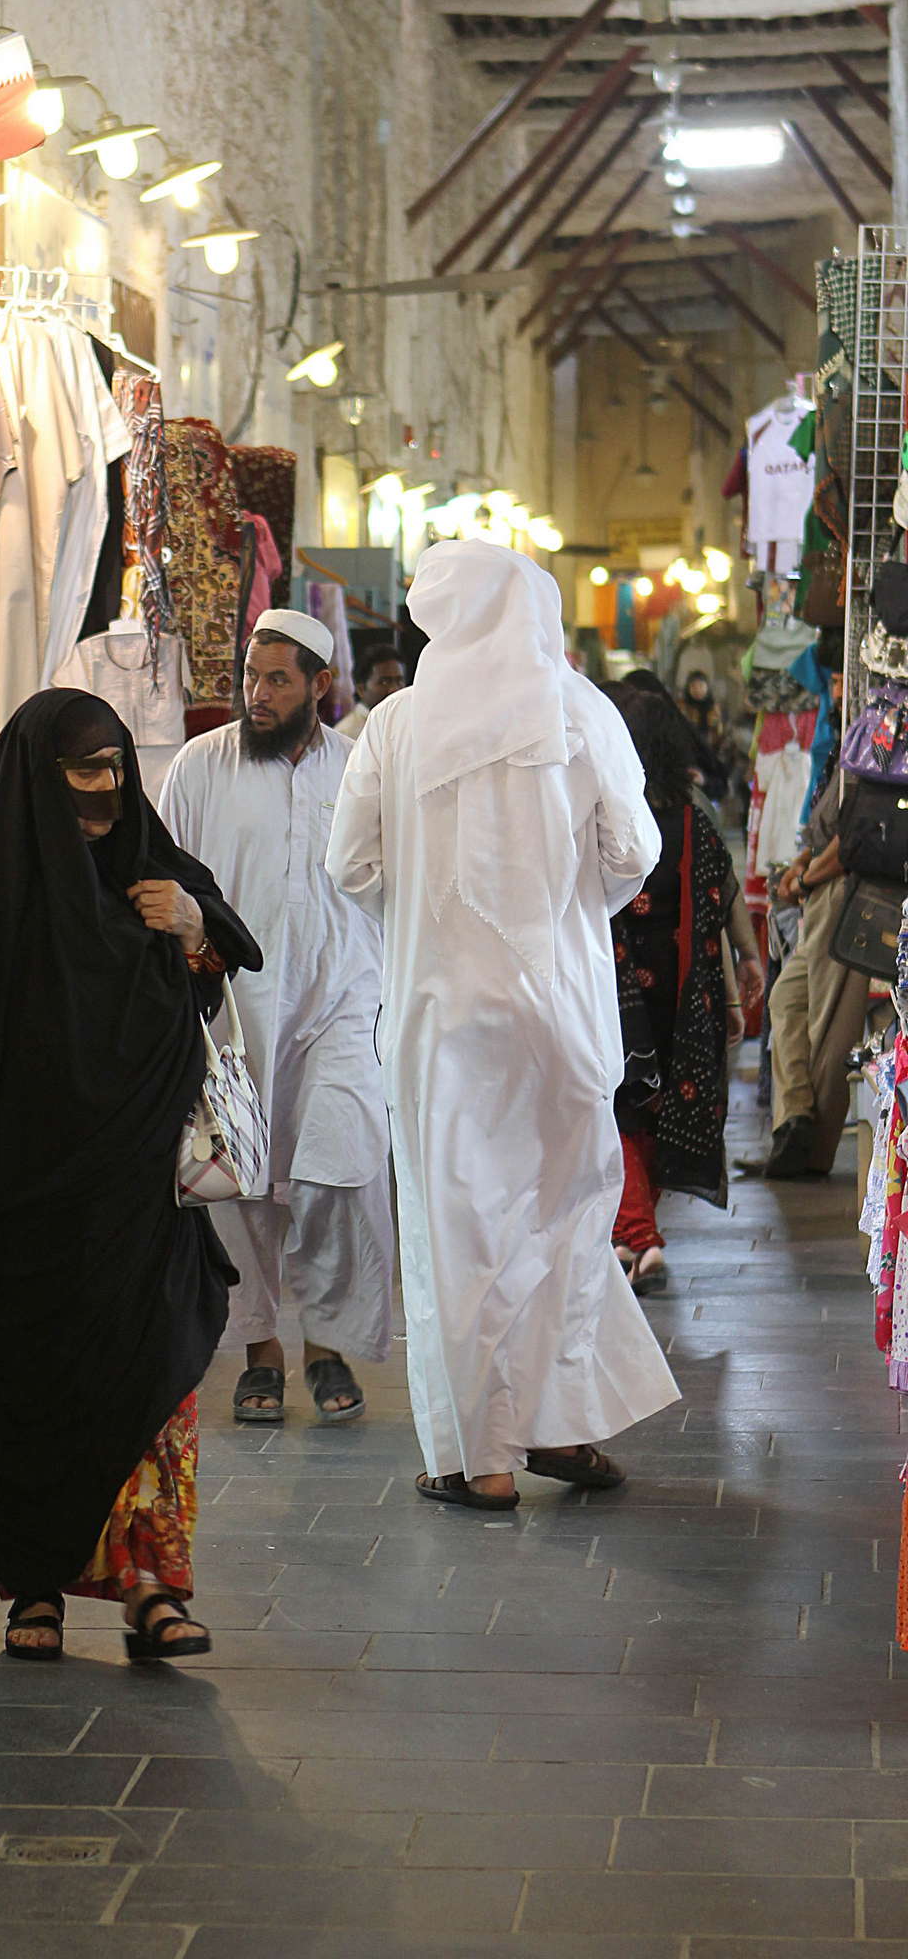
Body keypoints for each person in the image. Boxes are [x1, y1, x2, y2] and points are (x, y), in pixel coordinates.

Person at [0, 690, 261, 1663]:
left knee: (151, 1377)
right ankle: (34, 1588)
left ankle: (151, 1586)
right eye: (83, 769)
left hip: (137, 1193)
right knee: (26, 1390)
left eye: (116, 767)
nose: (105, 788)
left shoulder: (148, 862)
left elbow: (222, 958)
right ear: (35, 777)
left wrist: (192, 924)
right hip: (13, 1195)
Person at [326, 540, 680, 1508]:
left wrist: (419, 915)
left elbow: (349, 865)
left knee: (456, 1231)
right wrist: (568, 907)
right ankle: (559, 1427)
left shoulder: (396, 725)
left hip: (438, 1019)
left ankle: (481, 1461)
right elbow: (634, 851)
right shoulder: (581, 709)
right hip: (563, 1011)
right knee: (565, 1219)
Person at [159, 610, 395, 1428]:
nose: (257, 694)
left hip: (343, 1002)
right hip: (235, 1010)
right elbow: (167, 880)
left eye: (278, 681)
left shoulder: (362, 769)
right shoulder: (199, 767)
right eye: (250, 677)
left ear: (321, 685)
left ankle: (326, 1343)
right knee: (242, 1181)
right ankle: (261, 1352)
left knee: (340, 1168)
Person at [605, 691, 762, 1296]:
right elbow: (719, 902)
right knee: (658, 1105)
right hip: (683, 992)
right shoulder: (693, 820)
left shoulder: (606, 815)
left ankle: (638, 1238)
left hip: (618, 987)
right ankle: (633, 1238)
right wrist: (738, 979)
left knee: (620, 1102)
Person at [763, 713, 869, 1179]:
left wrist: (806, 877)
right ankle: (795, 1121)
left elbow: (851, 842)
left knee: (829, 1026)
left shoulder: (872, 749)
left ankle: (813, 1152)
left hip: (847, 894)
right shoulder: (847, 745)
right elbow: (828, 832)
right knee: (786, 999)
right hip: (826, 890)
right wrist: (801, 868)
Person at [337, 639, 406, 740]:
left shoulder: (408, 724)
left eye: (399, 681)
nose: (394, 689)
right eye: (384, 682)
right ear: (361, 689)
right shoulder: (346, 734)